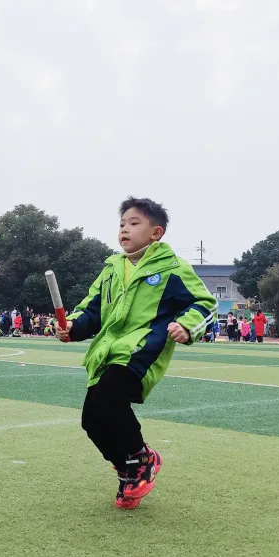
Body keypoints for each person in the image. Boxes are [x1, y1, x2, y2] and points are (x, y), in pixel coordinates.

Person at [57, 197, 214, 510]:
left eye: (133, 223)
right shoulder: (111, 270)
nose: (124, 229)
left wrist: (187, 325)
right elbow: (91, 310)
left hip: (143, 350)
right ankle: (129, 469)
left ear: (156, 233)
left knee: (108, 399)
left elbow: (204, 303)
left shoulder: (172, 269)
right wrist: (72, 326)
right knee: (92, 420)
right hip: (107, 353)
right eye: (122, 224)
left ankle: (140, 460)